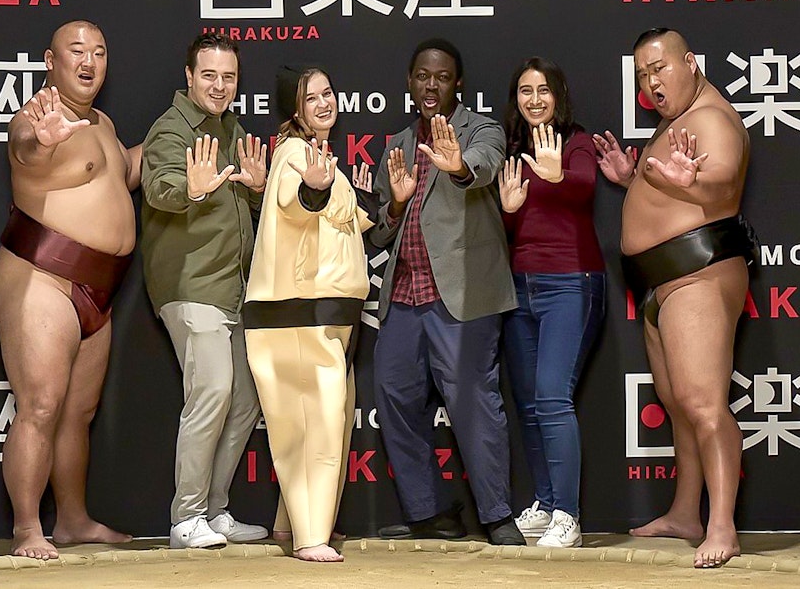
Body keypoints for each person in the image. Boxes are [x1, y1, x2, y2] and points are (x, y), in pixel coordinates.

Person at [594, 28, 753, 568]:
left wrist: (695, 184)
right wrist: (631, 177)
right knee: (680, 404)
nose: (651, 81)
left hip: (698, 274)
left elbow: (721, 180)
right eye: (642, 73)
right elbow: (672, 186)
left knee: (704, 404)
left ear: (691, 61)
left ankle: (722, 527)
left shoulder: (710, 117)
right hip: (663, 282)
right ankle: (686, 512)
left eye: (659, 68)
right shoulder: (676, 121)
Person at [0, 20, 140, 560]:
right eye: (77, 51)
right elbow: (28, 150)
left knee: (78, 413)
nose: (90, 60)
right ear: (50, 62)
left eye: (99, 52)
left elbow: (120, 173)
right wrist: (41, 138)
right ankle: (27, 529)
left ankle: (72, 521)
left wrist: (178, 135)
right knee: (41, 405)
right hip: (42, 276)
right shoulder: (33, 118)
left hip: (99, 289)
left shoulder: (102, 122)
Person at [370, 38, 525, 546]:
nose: (431, 85)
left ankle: (498, 516)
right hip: (405, 295)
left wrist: (455, 165)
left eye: (441, 76)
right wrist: (393, 207)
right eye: (422, 76)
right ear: (410, 82)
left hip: (462, 296)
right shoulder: (394, 144)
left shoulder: (481, 129)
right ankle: (428, 512)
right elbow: (379, 231)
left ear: (457, 83)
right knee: (394, 396)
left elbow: (479, 167)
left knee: (473, 403)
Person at [140, 32, 269, 549]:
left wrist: (256, 191)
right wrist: (188, 189)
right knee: (213, 390)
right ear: (189, 76)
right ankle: (185, 517)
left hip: (232, 289)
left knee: (244, 400)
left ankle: (214, 511)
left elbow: (244, 214)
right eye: (209, 75)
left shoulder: (233, 129)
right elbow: (160, 188)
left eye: (229, 77)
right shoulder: (170, 131)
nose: (219, 85)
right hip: (191, 285)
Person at [244, 65, 377, 562]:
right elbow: (295, 204)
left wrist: (368, 197)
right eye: (312, 97)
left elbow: (343, 223)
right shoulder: (294, 153)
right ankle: (310, 536)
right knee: (314, 422)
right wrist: (316, 189)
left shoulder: (321, 157)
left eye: (328, 92)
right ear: (294, 108)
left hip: (324, 315)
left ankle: (292, 523)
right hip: (297, 314)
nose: (324, 103)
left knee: (325, 420)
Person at [498, 57, 605, 548]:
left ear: (558, 96)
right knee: (527, 403)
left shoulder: (576, 142)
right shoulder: (512, 150)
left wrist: (558, 174)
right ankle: (544, 503)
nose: (534, 99)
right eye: (525, 90)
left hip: (570, 283)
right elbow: (514, 228)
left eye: (543, 90)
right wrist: (509, 213)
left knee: (551, 397)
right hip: (519, 289)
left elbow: (583, 188)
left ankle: (568, 514)